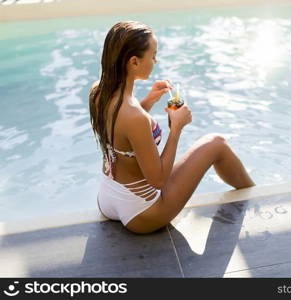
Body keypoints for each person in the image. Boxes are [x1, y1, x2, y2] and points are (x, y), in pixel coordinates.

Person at [89, 21, 255, 234]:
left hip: (108, 198)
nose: (155, 61)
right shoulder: (135, 117)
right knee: (217, 143)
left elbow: (120, 130)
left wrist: (148, 101)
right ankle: (255, 194)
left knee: (214, 143)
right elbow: (158, 180)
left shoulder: (98, 93)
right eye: (153, 55)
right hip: (142, 212)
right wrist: (176, 129)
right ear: (134, 62)